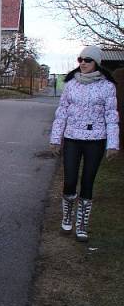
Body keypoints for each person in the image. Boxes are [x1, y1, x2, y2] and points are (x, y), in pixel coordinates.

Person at [49, 45, 119, 242]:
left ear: (96, 62)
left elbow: (111, 116)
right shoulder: (70, 84)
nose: (83, 63)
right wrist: (56, 139)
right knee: (70, 180)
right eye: (80, 60)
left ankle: (82, 225)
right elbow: (61, 112)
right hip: (72, 138)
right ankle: (67, 217)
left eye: (87, 60)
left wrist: (112, 144)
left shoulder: (107, 87)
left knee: (87, 182)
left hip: (96, 140)